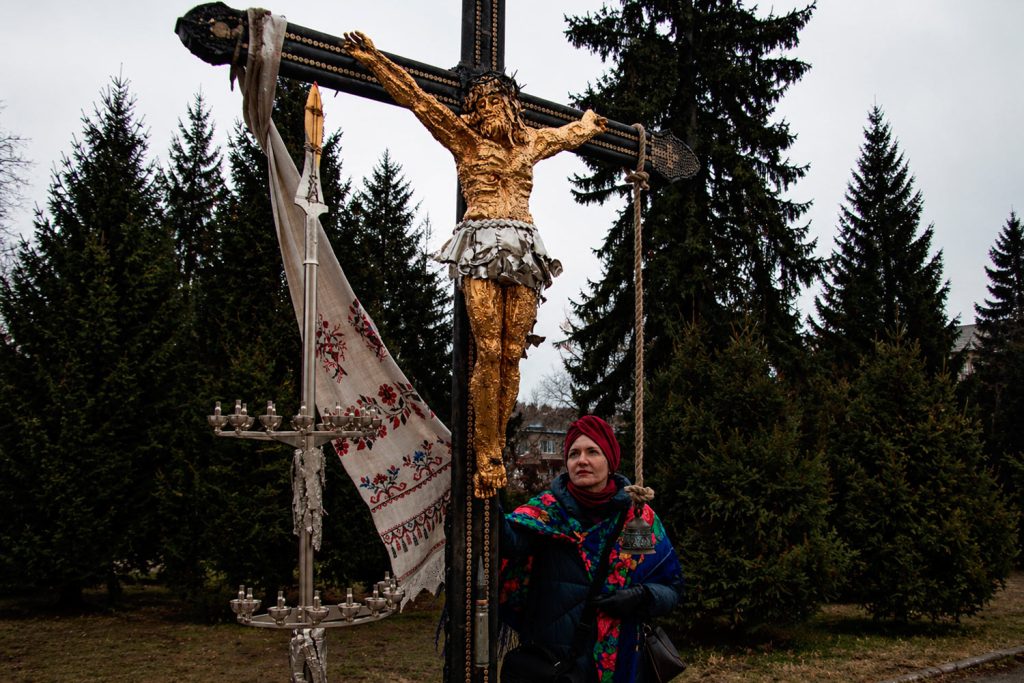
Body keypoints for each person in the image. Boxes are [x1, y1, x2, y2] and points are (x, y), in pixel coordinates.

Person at [342, 31, 608, 498]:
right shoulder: (465, 141)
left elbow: (571, 134)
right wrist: (376, 61)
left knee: (511, 351)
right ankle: (485, 453)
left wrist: (588, 123)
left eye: (496, 103)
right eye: (482, 104)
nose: (489, 111)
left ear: (510, 108)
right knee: (488, 350)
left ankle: (497, 444)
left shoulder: (529, 145)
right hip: (482, 242)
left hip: (525, 249)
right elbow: (419, 101)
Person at [499, 416, 683, 682]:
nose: (581, 460)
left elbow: (672, 587)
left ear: (610, 461)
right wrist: (486, 503)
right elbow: (508, 542)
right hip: (555, 664)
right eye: (574, 453)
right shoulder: (545, 511)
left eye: (592, 451)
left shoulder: (638, 518)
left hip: (619, 663)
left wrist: (642, 596)